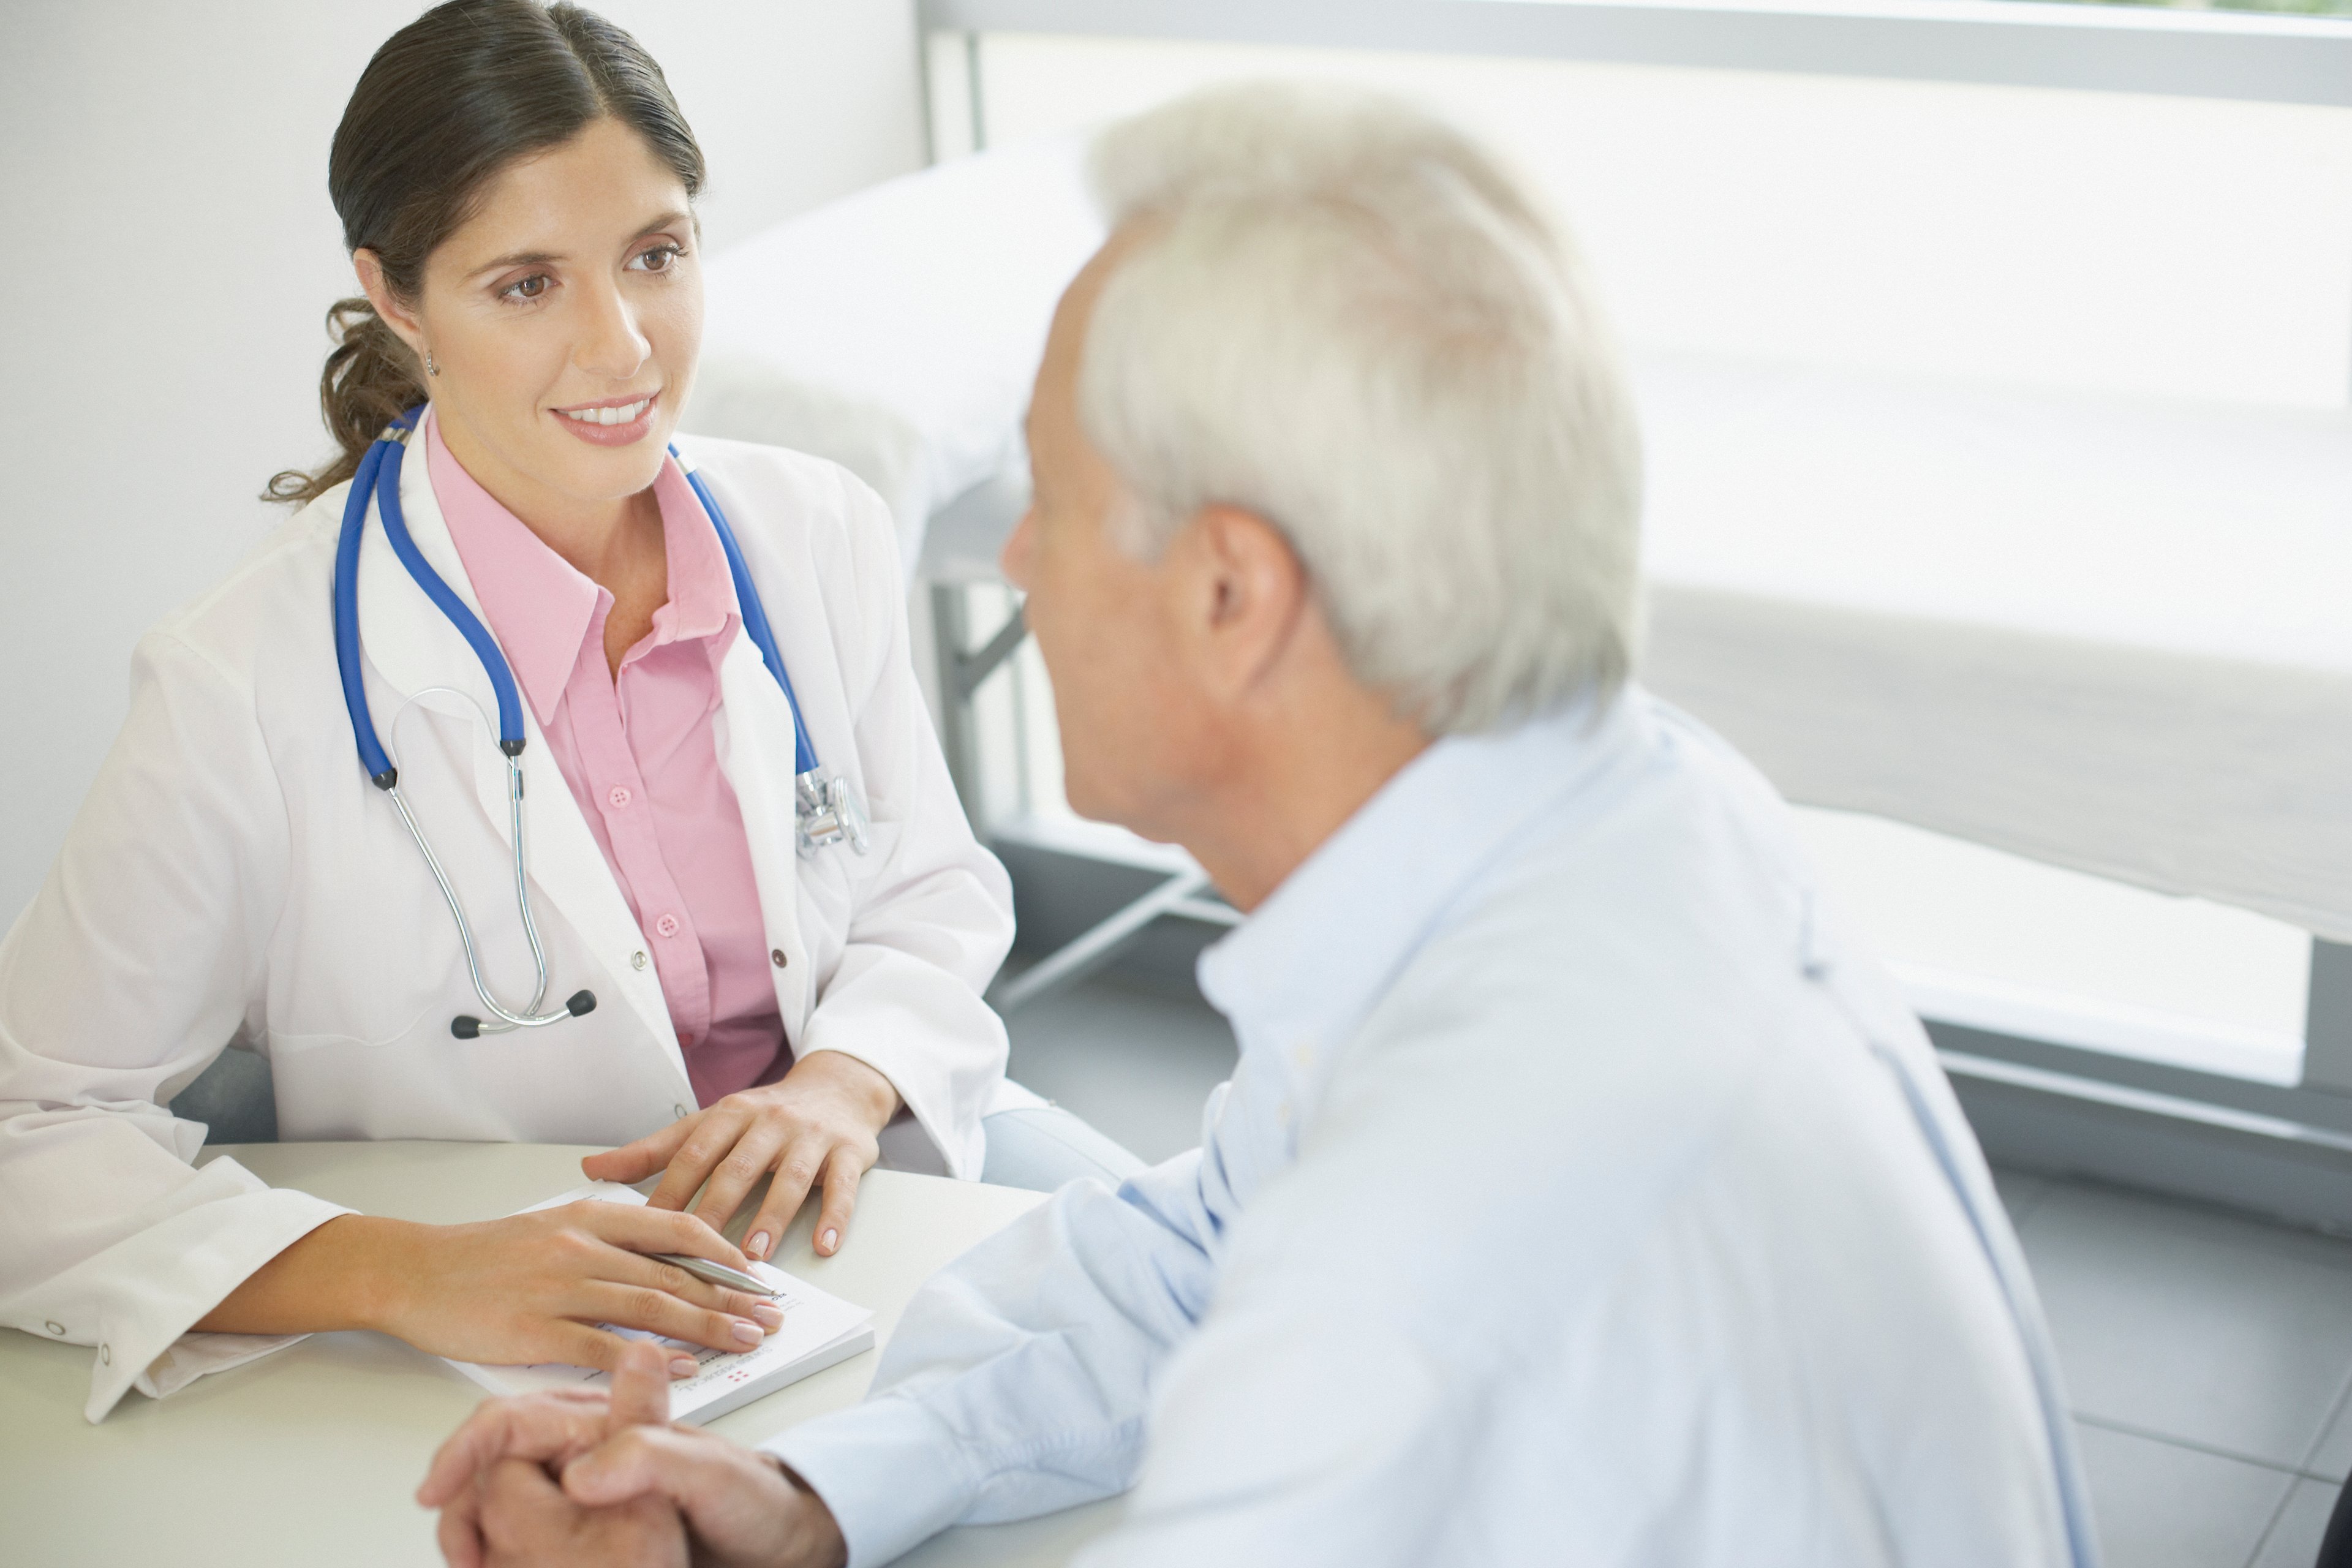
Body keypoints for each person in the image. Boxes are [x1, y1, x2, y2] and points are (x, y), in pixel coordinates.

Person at [417, 81, 2100, 1567]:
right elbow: (1209, 1249)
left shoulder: (1438, 1264)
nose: (1019, 568)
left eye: (1056, 504)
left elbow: (1326, 1317)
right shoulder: (1603, 816)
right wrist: (799, 1492)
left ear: (1231, 593)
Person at [0, 0, 1136, 1427]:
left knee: (1230, 1318)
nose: (622, 347)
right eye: (527, 284)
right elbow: (28, 1130)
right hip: (505, 1307)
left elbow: (929, 889)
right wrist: (405, 1270)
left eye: (655, 256)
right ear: (399, 297)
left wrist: (842, 1082)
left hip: (850, 1194)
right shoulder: (242, 679)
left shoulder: (813, 532)